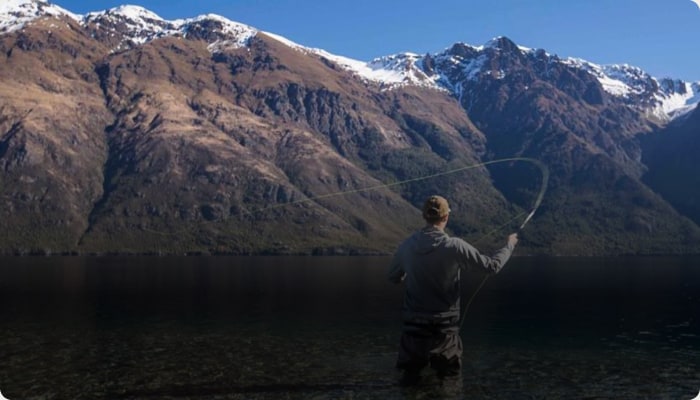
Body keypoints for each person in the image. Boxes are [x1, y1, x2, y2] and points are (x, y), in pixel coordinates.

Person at [388, 194, 518, 385]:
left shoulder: (406, 245)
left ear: (424, 216)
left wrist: (410, 272)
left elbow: (392, 277)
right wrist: (509, 245)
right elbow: (492, 267)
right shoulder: (454, 246)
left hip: (413, 328)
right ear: (446, 217)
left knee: (409, 383)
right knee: (448, 382)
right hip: (444, 331)